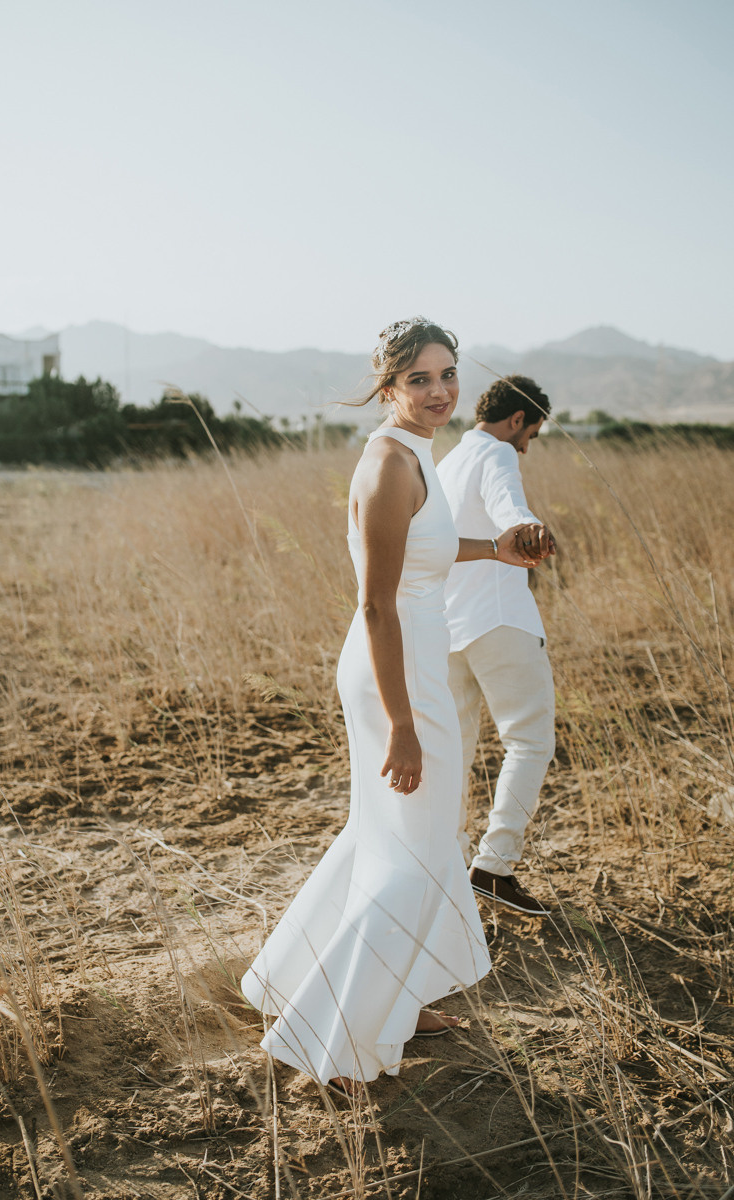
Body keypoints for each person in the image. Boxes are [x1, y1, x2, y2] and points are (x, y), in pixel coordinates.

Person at [241, 321, 547, 1098]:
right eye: (419, 379)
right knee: (412, 847)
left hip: (413, 662)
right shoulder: (386, 463)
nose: (439, 390)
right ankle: (335, 1035)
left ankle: (391, 997)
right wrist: (404, 725)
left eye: (446, 374)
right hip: (393, 675)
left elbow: (424, 555)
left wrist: (495, 551)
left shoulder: (419, 452)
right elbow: (375, 604)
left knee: (401, 836)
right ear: (388, 386)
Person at [437, 375, 556, 917]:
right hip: (499, 622)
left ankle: (449, 871)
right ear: (515, 421)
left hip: (446, 628)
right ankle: (494, 867)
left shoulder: (446, 463)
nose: (526, 446)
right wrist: (526, 528)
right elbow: (509, 505)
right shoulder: (498, 456)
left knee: (456, 754)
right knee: (531, 742)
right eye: (529, 434)